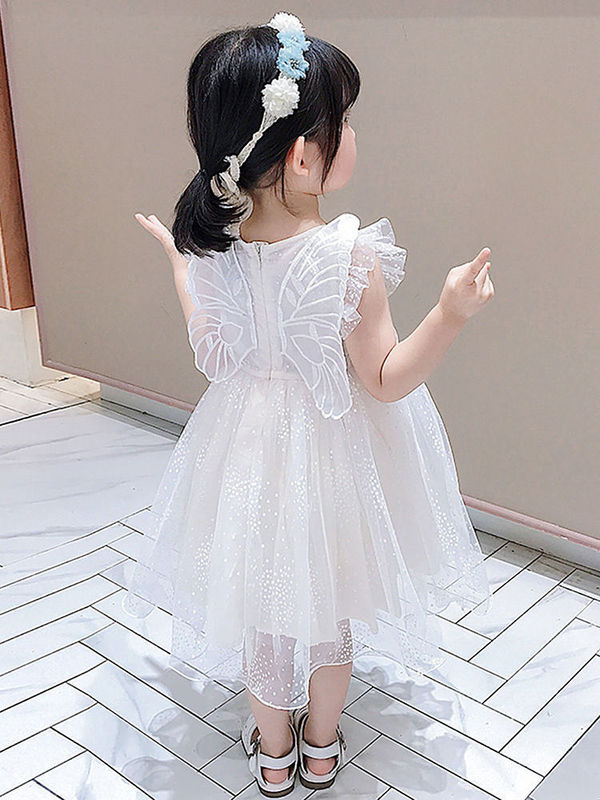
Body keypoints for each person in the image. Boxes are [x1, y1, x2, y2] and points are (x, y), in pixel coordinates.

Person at [122, 11, 494, 796]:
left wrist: (180, 268)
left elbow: (212, 355)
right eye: (342, 122)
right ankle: (320, 751)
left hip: (244, 456)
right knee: (328, 610)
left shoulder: (213, 252)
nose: (351, 134)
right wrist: (449, 314)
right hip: (331, 462)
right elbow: (385, 378)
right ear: (301, 153)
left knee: (265, 611)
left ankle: (272, 756)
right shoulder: (346, 254)